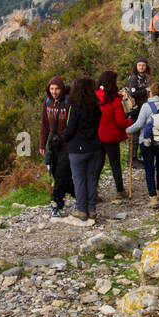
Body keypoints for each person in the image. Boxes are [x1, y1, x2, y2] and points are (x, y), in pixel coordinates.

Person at [62, 77, 103, 223]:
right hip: (94, 147)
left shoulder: (74, 107)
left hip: (77, 148)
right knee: (91, 178)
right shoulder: (96, 106)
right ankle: (91, 209)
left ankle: (81, 209)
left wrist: (62, 139)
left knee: (79, 180)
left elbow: (70, 129)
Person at [126, 79, 159, 206]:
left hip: (146, 141)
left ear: (152, 93)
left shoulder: (146, 106)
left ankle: (153, 197)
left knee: (149, 168)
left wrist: (128, 130)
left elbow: (139, 124)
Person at [39, 76, 74, 217]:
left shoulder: (68, 102)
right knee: (56, 173)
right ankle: (81, 194)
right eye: (51, 89)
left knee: (61, 174)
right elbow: (44, 125)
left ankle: (56, 203)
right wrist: (42, 144)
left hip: (67, 144)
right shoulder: (47, 102)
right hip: (53, 144)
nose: (54, 92)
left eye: (57, 89)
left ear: (62, 89)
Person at [96, 71, 133, 198]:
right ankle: (120, 191)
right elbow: (121, 122)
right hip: (111, 137)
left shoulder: (95, 97)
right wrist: (130, 121)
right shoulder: (115, 100)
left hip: (97, 135)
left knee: (98, 164)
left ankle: (92, 191)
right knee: (115, 164)